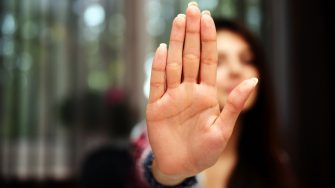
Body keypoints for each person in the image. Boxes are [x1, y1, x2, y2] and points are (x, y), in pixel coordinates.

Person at [133, 1, 296, 188]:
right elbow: (146, 172)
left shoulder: (274, 163)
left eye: (247, 60)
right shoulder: (147, 141)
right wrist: (171, 173)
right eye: (219, 61)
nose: (236, 70)